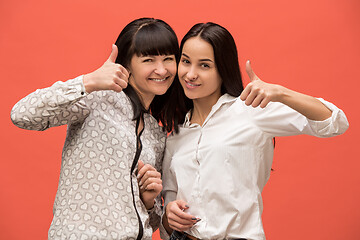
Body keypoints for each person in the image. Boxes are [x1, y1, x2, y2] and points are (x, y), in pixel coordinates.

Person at [160, 22, 349, 240]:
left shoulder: (250, 109)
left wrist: (279, 92)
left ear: (223, 69)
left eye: (204, 65)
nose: (190, 74)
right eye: (185, 62)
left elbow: (336, 122)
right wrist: (170, 216)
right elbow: (168, 218)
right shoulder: (175, 135)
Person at [11, 17, 180, 240]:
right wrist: (87, 82)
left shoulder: (156, 134)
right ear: (127, 64)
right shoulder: (97, 99)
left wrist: (148, 200)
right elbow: (22, 114)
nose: (161, 69)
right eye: (148, 60)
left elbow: (151, 222)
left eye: (168, 59)